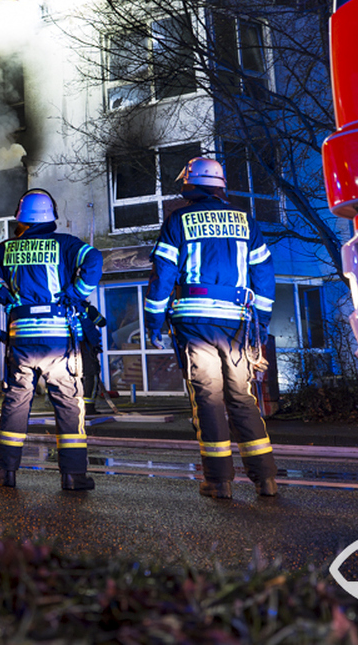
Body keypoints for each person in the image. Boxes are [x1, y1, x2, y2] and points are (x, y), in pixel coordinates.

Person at [144, 157, 280, 500]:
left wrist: (153, 323)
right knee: (242, 398)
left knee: (209, 399)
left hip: (195, 323)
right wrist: (261, 325)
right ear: (220, 186)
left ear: (191, 184)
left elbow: (163, 275)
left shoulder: (179, 220)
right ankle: (266, 479)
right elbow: (264, 275)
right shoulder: (245, 221)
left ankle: (219, 482)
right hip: (237, 323)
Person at [0, 188, 103, 492]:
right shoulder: (66, 244)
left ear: (22, 219)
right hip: (58, 339)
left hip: (22, 339)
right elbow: (94, 259)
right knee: (68, 403)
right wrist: (77, 293)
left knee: (16, 402)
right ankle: (73, 475)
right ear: (51, 215)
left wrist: (1, 294)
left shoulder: (6, 249)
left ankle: (5, 472)